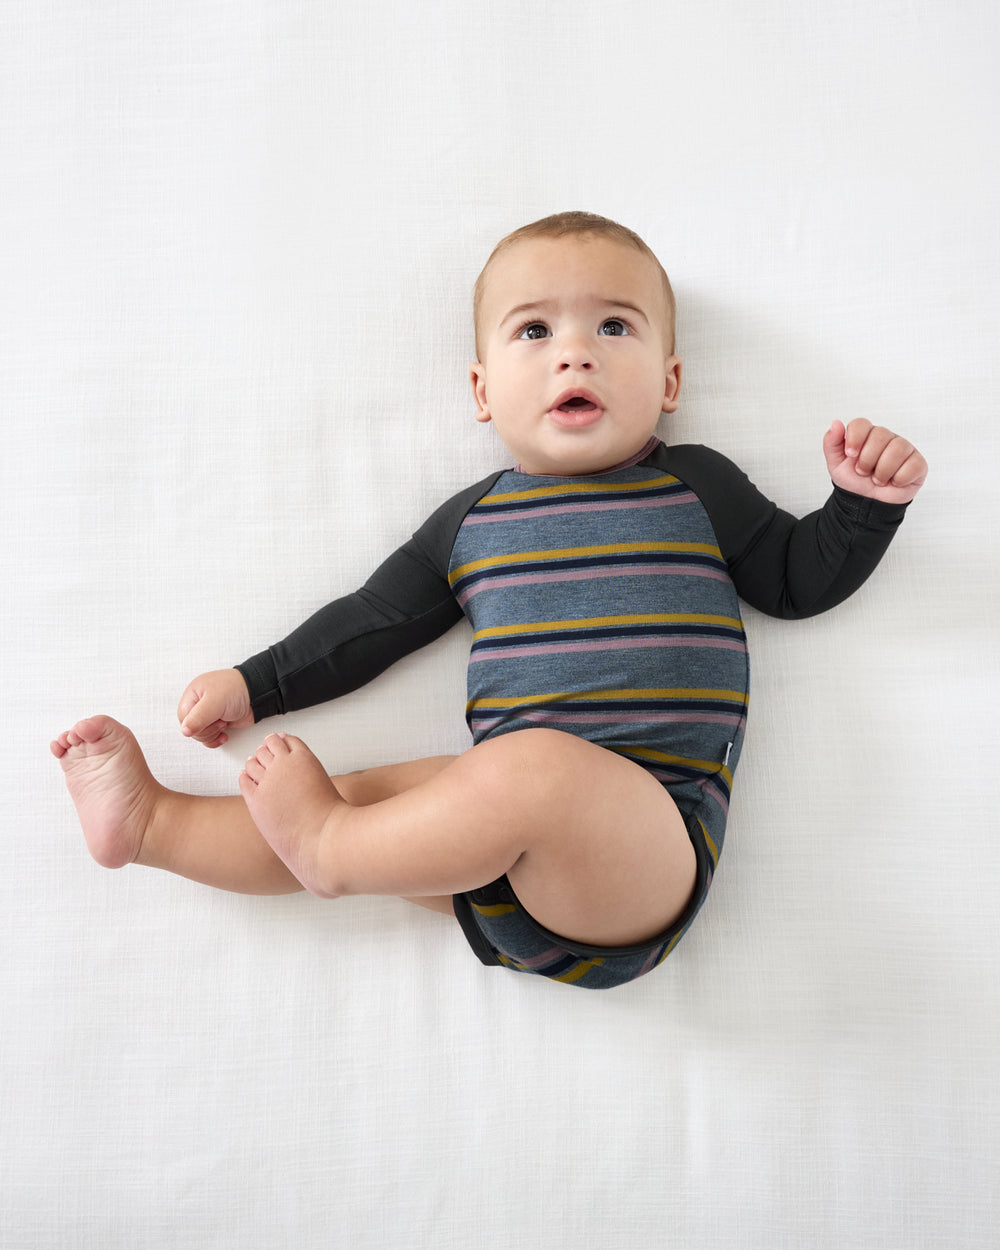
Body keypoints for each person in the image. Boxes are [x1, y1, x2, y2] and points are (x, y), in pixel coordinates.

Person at [51, 212, 928, 989]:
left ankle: (328, 849)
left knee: (512, 776)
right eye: (535, 330)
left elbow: (794, 580)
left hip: (646, 856)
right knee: (373, 798)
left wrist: (862, 507)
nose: (574, 353)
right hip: (501, 841)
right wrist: (256, 684)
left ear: (669, 382)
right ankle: (154, 826)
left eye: (614, 326)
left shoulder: (695, 486)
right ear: (482, 391)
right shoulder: (471, 523)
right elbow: (372, 622)